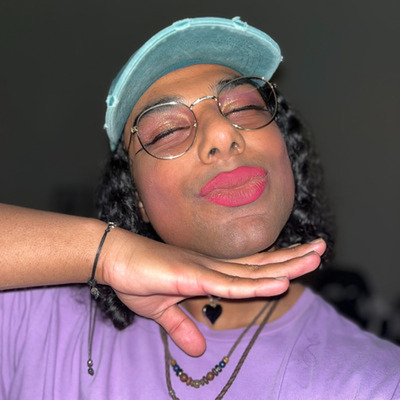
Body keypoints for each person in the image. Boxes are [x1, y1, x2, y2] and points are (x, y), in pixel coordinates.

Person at [0, 16, 399, 400]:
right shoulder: (37, 322)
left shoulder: (378, 383)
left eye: (244, 107)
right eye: (168, 130)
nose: (222, 133)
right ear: (135, 198)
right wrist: (106, 254)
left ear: (287, 155)